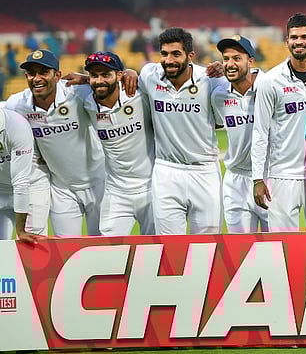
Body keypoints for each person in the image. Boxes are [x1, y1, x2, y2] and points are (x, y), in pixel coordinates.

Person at [5, 50, 106, 236]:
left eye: (43, 72)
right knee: (64, 251)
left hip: (99, 183)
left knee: (103, 249)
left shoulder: (78, 93)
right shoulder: (17, 104)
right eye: (31, 73)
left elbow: (111, 84)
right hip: (62, 188)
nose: (36, 78)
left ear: (57, 75)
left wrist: (87, 78)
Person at [138, 28, 225, 235]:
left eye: (176, 54)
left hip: (204, 171)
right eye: (164, 54)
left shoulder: (210, 79)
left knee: (207, 247)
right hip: (167, 171)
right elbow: (112, 83)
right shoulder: (149, 75)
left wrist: (228, 72)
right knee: (168, 248)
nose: (169, 60)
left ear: (190, 56)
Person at [252, 14, 306, 232]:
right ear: (286, 40)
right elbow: (260, 132)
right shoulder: (270, 81)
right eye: (294, 37)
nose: (299, 42)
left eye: (305, 37)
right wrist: (257, 179)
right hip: (282, 176)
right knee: (283, 247)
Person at [81, 50, 156, 236]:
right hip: (116, 191)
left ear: (119, 75)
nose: (99, 81)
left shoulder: (140, 95)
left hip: (152, 187)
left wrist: (133, 71)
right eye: (94, 75)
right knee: (109, 251)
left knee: (158, 250)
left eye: (106, 74)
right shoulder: (86, 103)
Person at [212, 35, 268, 233]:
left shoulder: (269, 87)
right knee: (240, 250)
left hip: (270, 178)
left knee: (280, 248)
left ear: (250, 61)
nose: (230, 64)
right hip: (236, 180)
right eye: (226, 59)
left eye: (237, 58)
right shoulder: (219, 96)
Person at [0, 108, 37, 242]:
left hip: (31, 187)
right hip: (1, 190)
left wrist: (21, 231)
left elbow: (21, 181)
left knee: (33, 244)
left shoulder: (16, 126)